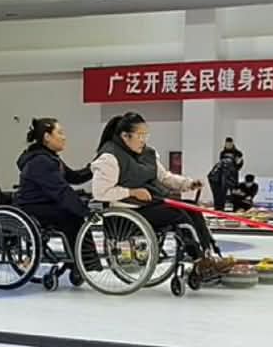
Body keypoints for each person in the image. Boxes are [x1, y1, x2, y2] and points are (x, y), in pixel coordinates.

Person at [86, 113, 234, 281]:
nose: (144, 139)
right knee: (178, 214)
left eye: (146, 135)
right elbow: (100, 192)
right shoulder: (109, 157)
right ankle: (199, 260)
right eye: (140, 135)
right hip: (128, 212)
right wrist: (131, 192)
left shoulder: (148, 153)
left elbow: (164, 178)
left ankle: (208, 256)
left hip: (150, 205)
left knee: (192, 209)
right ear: (125, 136)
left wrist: (187, 183)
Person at [13, 118, 93, 240]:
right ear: (47, 137)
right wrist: (85, 211)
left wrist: (93, 169)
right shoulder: (41, 161)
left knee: (73, 213)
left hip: (43, 204)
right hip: (34, 209)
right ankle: (83, 258)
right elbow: (62, 191)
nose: (64, 137)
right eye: (60, 133)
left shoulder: (49, 158)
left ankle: (80, 257)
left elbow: (74, 177)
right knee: (73, 217)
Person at [209, 136, 244, 209]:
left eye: (229, 144)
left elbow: (239, 164)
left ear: (232, 144)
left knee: (234, 192)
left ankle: (236, 208)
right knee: (221, 192)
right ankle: (220, 208)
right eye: (227, 144)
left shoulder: (238, 153)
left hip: (232, 175)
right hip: (222, 176)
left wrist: (236, 165)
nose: (228, 145)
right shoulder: (222, 153)